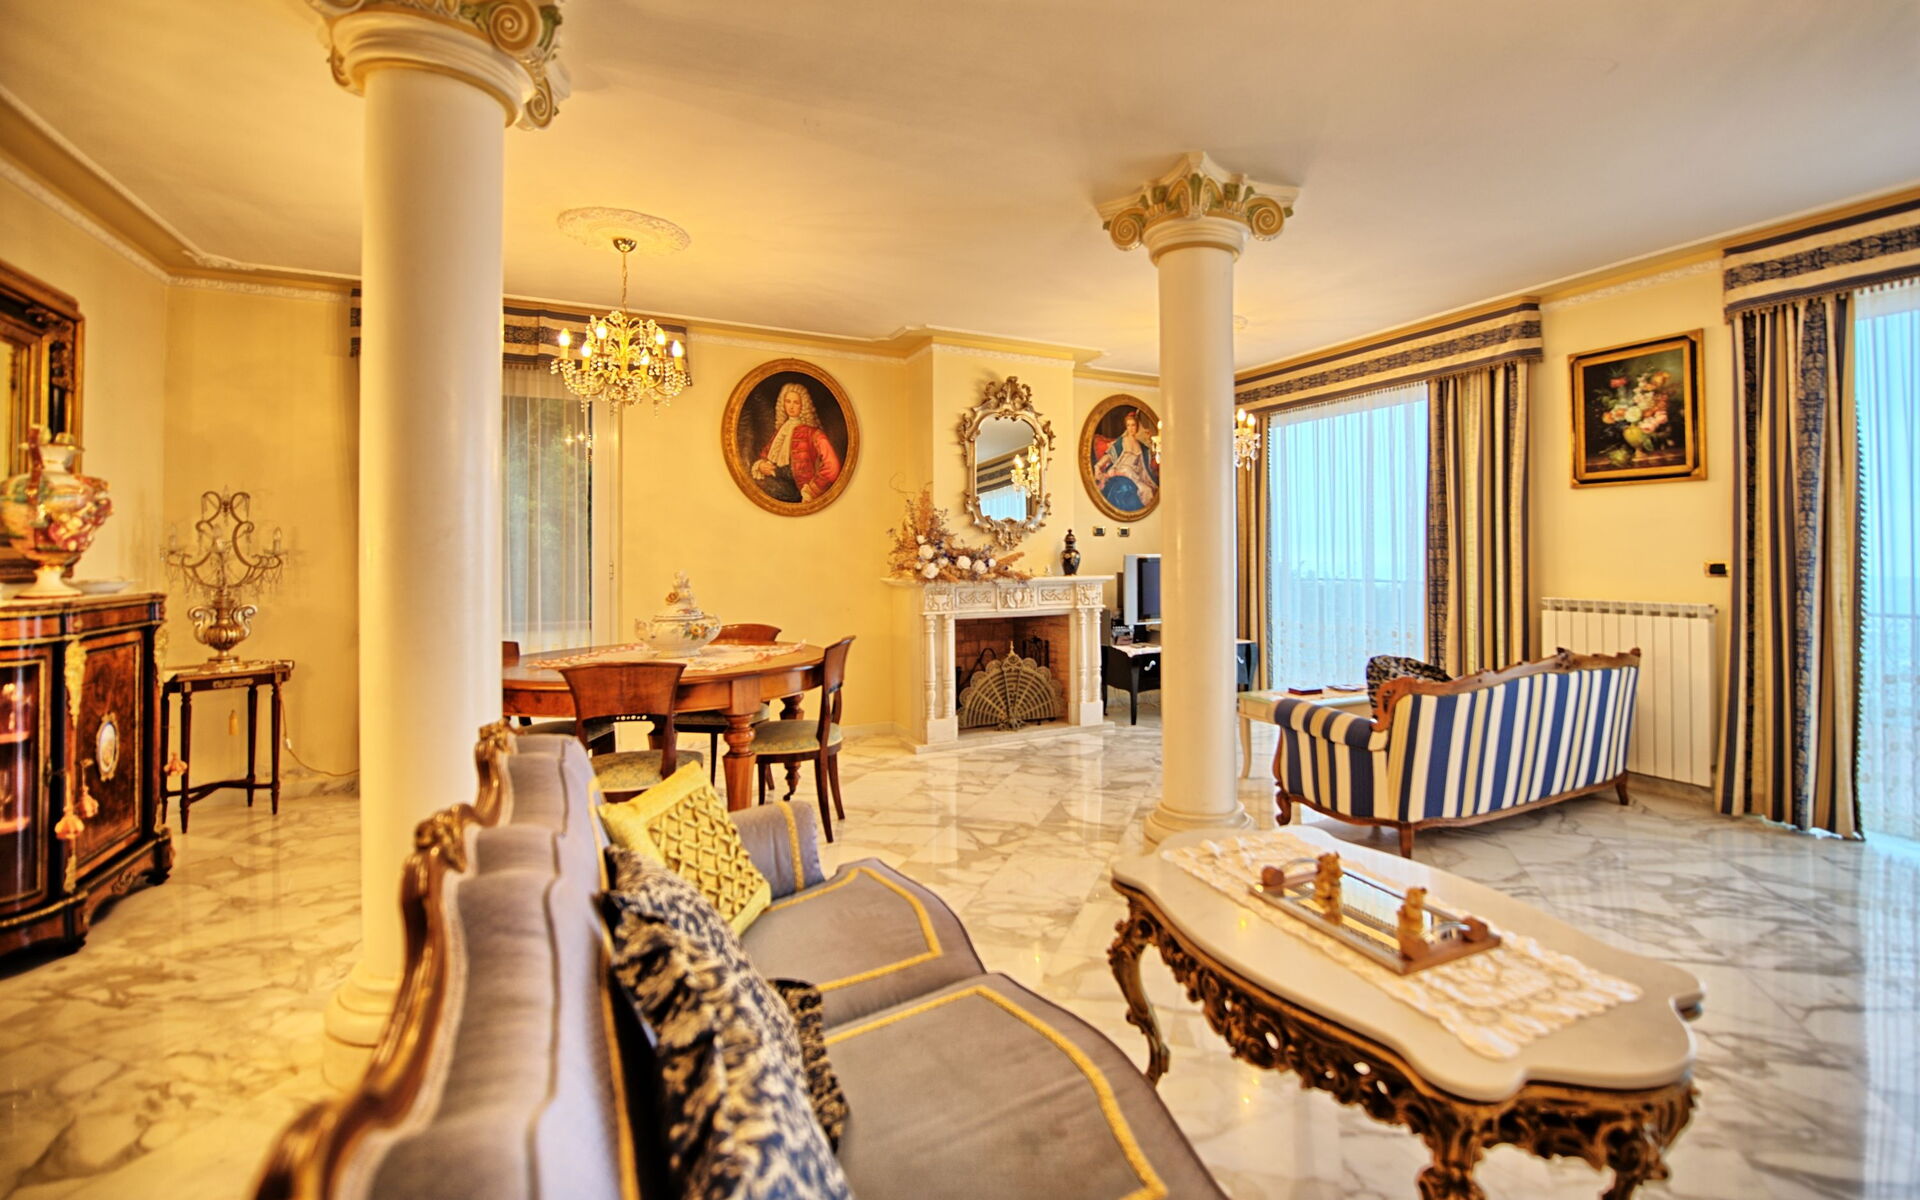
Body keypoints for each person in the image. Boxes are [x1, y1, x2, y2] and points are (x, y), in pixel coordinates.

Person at [750, 381, 842, 503]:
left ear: (803, 405)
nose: (791, 406)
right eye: (788, 401)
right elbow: (765, 455)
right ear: (782, 404)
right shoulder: (781, 430)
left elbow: (832, 467)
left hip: (797, 490)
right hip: (774, 485)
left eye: (796, 402)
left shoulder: (813, 433)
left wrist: (812, 489)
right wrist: (761, 465)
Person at [1092, 408, 1158, 510]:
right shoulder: (1122, 441)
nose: (1131, 428)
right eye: (1128, 425)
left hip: (1134, 474)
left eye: (1133, 425)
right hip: (1121, 470)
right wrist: (1098, 465)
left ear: (1137, 426)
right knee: (1129, 483)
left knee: (1147, 490)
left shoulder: (1141, 446)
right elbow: (1110, 456)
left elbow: (1144, 466)